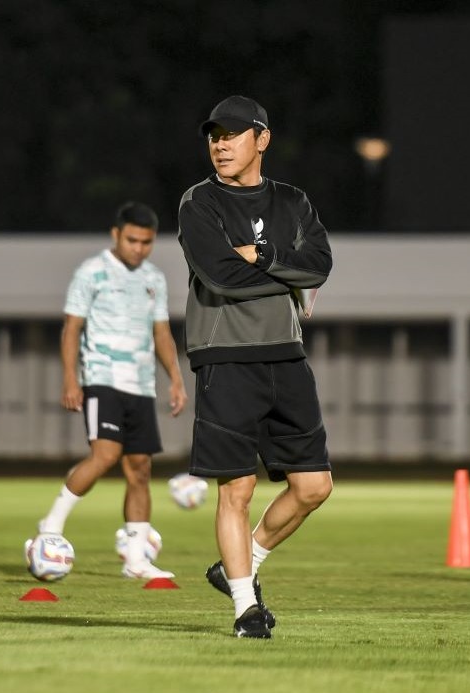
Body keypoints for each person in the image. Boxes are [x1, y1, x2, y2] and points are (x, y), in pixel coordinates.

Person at [177, 96, 334, 638]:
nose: (220, 145)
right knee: (237, 491)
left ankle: (240, 566)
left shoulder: (292, 200)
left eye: (232, 134)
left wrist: (261, 255)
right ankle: (246, 610)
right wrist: (288, 271)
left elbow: (321, 265)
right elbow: (221, 276)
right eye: (214, 135)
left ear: (262, 139)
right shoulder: (199, 201)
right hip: (226, 357)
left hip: (286, 353)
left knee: (314, 486)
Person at [31, 201, 186, 580]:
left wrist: (176, 378)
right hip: (102, 378)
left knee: (140, 469)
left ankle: (136, 560)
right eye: (132, 240)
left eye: (146, 242)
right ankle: (51, 525)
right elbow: (72, 328)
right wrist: (71, 378)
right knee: (105, 455)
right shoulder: (91, 272)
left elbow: (161, 332)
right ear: (116, 235)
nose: (139, 248)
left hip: (141, 385)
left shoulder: (154, 278)